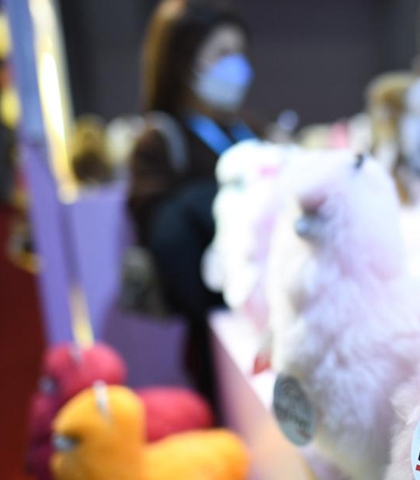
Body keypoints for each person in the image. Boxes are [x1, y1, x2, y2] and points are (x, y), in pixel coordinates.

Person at [127, 0, 261, 407]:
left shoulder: (250, 129)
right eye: (222, 54)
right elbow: (163, 240)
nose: (236, 65)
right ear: (185, 62)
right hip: (215, 330)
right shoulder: (160, 141)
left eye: (239, 52)